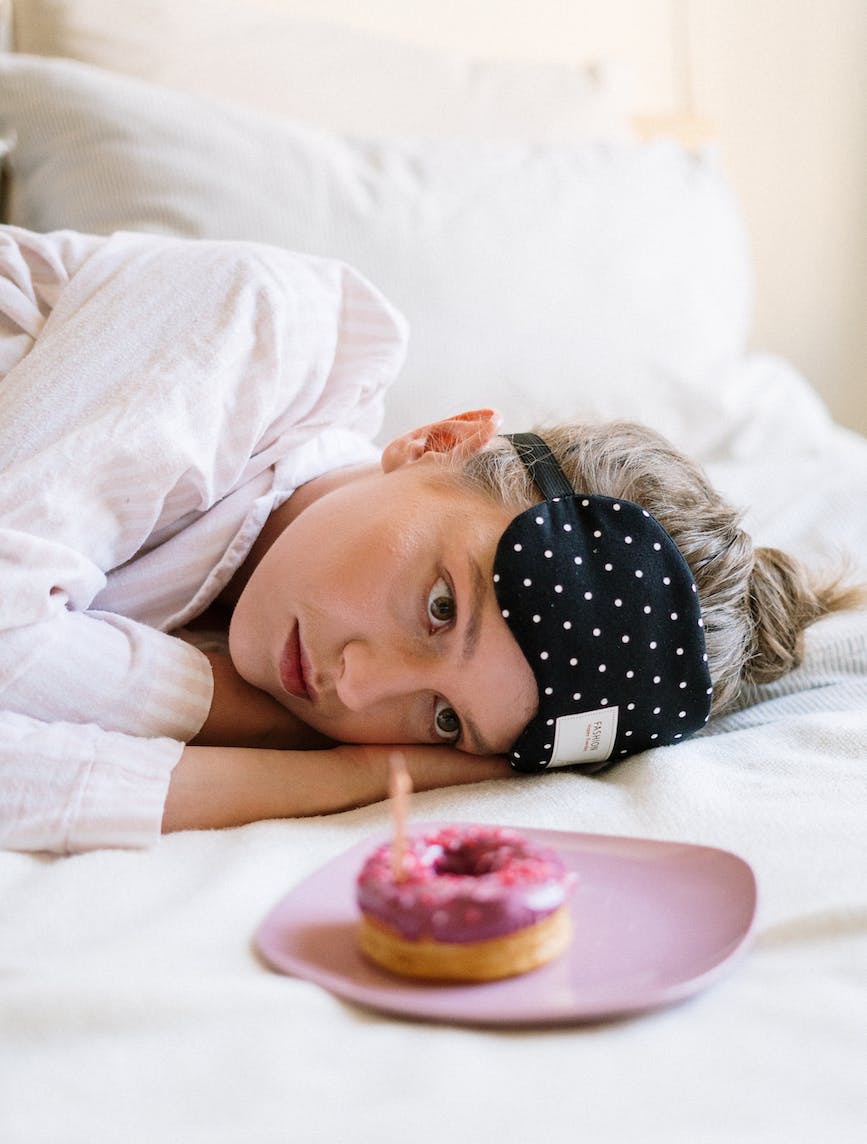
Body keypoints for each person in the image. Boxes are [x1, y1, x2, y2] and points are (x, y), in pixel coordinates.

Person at [0, 225, 859, 853]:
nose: (356, 690)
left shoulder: (245, 620)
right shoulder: (251, 328)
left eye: (443, 720)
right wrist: (289, 743)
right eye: (441, 608)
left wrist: (363, 778)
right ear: (442, 441)